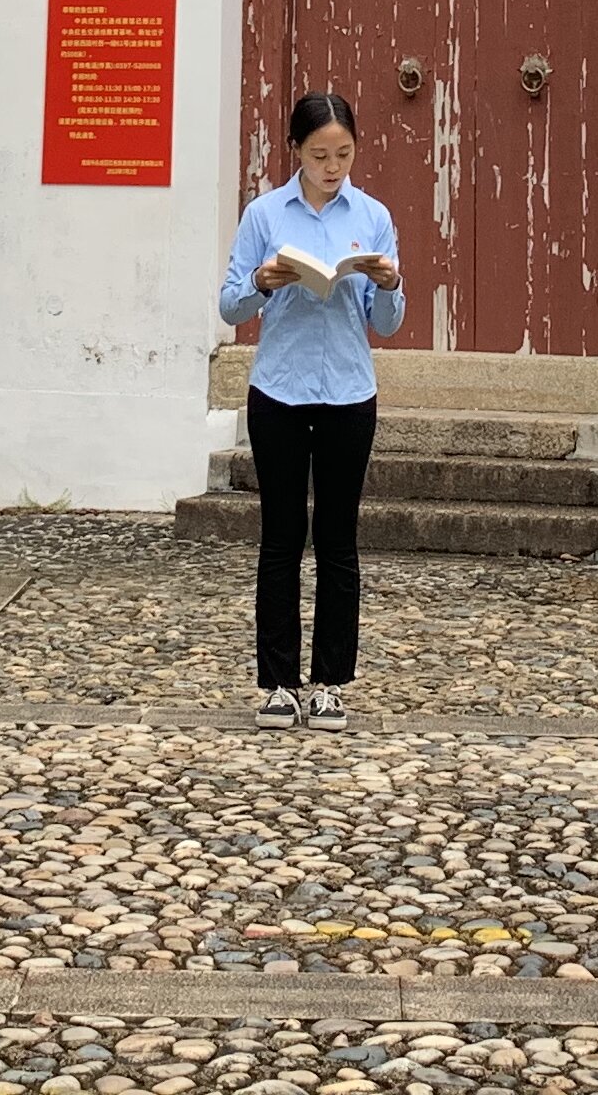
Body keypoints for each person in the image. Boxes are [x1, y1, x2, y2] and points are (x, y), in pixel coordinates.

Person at [215, 90, 405, 727]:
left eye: (344, 154)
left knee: (338, 540)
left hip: (349, 392)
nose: (332, 167)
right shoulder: (265, 214)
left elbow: (385, 323)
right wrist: (260, 283)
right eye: (320, 154)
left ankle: (329, 683)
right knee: (281, 536)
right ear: (295, 149)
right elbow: (230, 305)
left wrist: (390, 285)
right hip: (280, 392)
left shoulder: (372, 216)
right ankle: (278, 683)